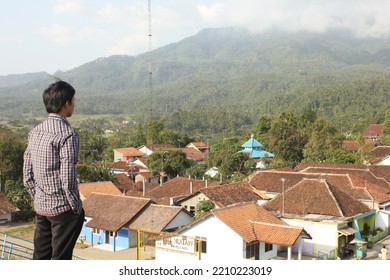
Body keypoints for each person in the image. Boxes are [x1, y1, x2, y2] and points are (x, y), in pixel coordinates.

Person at [23, 80, 84, 260]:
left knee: (40, 257)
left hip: (41, 208)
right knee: (61, 259)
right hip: (63, 210)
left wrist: (40, 198)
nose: (74, 104)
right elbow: (67, 177)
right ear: (67, 104)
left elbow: (27, 175)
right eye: (73, 101)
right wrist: (75, 206)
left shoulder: (35, 132)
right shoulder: (68, 134)